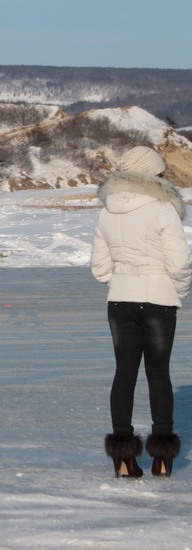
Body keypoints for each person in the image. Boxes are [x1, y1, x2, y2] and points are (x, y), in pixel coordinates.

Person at [92, 146, 191, 477]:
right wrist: (177, 292)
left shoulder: (107, 211)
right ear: (153, 175)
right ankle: (162, 457)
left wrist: (122, 280)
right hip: (158, 300)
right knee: (158, 374)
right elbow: (180, 264)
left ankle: (123, 459)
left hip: (119, 302)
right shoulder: (163, 209)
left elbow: (100, 267)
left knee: (124, 374)